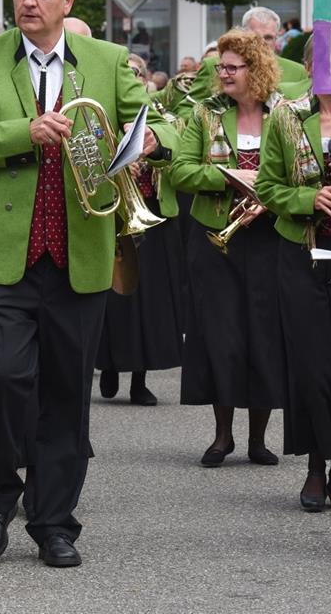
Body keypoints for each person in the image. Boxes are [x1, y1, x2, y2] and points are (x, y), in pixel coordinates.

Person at [0, 0, 175, 568]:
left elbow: (161, 122)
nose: (29, 2)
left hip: (81, 253)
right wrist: (23, 132)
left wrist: (153, 139)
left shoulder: (108, 61)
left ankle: (54, 521)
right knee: (3, 379)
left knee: (68, 392)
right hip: (4, 254)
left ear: (69, 2)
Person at [256, 37, 331, 512]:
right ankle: (315, 466)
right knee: (311, 365)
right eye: (323, 61)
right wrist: (309, 199)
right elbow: (267, 186)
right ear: (308, 66)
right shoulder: (285, 115)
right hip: (301, 254)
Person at [172, 28, 286, 468]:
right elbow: (182, 171)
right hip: (215, 239)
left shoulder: (285, 115)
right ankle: (223, 436)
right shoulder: (204, 114)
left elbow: (300, 173)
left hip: (269, 237)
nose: (222, 74)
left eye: (231, 67)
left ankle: (258, 439)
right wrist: (228, 177)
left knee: (264, 334)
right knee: (220, 333)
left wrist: (270, 193)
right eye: (219, 67)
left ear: (255, 70)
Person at [96, 52, 184, 407]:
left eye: (136, 74)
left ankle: (139, 378)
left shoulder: (157, 118)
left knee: (146, 303)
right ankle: (110, 364)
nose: (131, 78)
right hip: (112, 215)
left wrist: (147, 159)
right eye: (126, 73)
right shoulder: (101, 117)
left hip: (149, 212)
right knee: (112, 300)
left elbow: (173, 156)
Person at [161, 7, 310, 122]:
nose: (262, 44)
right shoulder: (215, 66)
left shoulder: (298, 72)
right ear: (243, 36)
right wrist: (211, 129)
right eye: (255, 38)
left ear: (277, 37)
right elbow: (187, 109)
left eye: (268, 38)